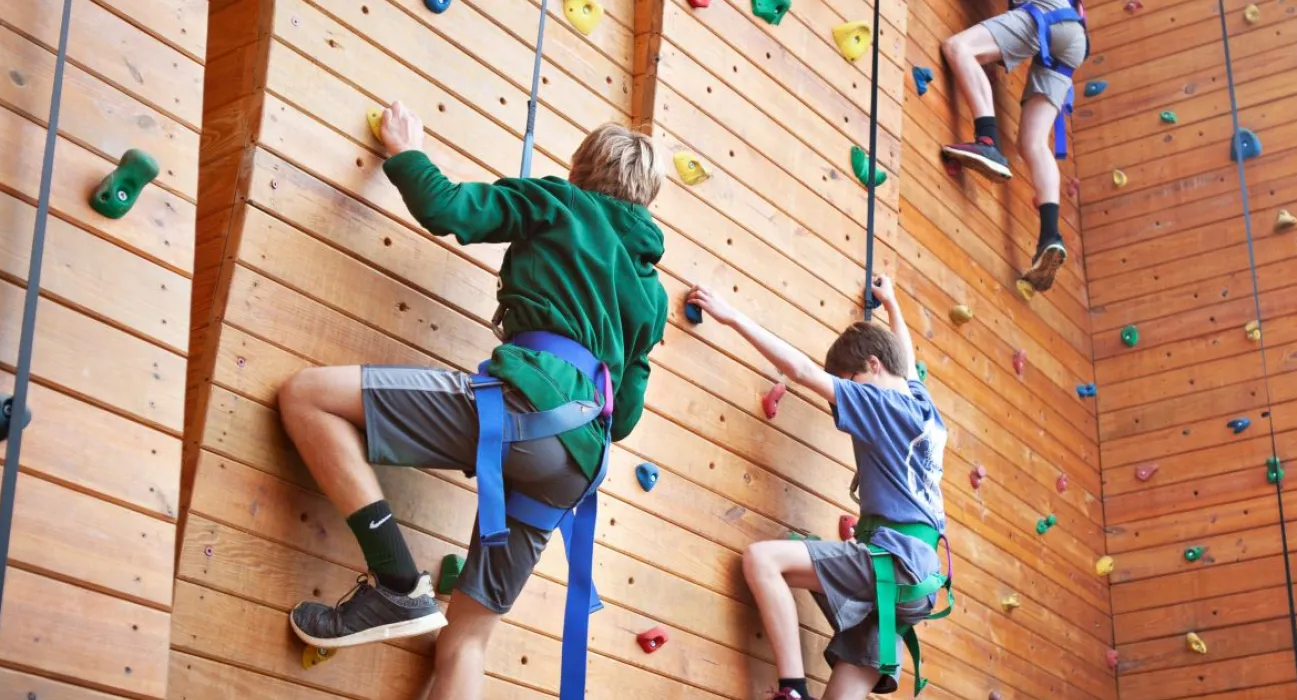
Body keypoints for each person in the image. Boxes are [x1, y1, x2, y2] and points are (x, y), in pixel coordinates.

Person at [277, 101, 668, 700]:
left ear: (582, 168)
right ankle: (401, 595)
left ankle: (395, 582)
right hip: (576, 465)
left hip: (524, 408)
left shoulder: (557, 202)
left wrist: (404, 150)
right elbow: (627, 417)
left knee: (307, 397)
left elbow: (447, 208)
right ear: (647, 196)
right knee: (465, 642)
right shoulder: (652, 290)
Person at [686, 276, 952, 699]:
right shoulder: (923, 408)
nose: (843, 399)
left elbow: (802, 371)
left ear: (872, 365)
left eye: (848, 381)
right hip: (916, 581)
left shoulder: (880, 402)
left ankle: (792, 689)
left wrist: (732, 316)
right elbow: (905, 358)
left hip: (893, 561)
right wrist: (893, 305)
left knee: (763, 560)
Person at [938, 0, 1086, 293]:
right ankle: (1050, 235)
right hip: (1073, 36)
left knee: (959, 48)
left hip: (1047, 12)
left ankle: (987, 138)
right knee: (1032, 143)